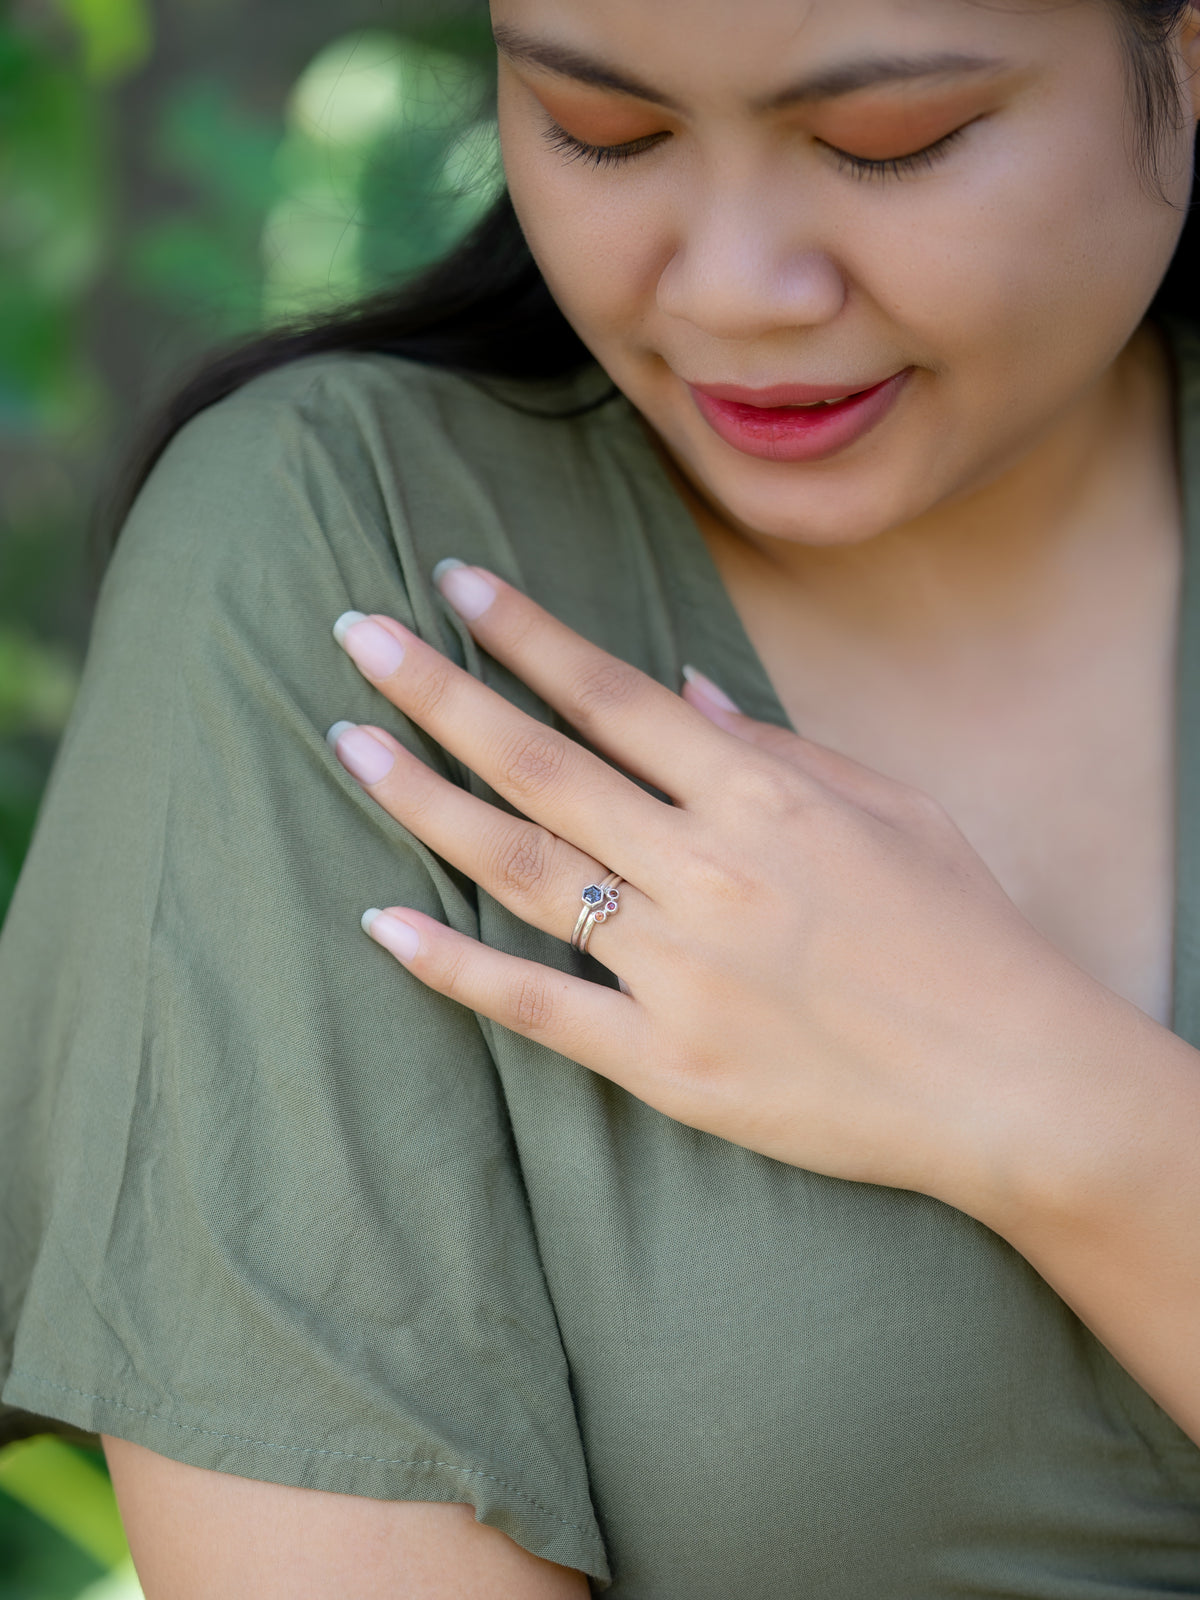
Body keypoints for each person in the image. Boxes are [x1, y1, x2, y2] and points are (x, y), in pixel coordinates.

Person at [3, 0, 1200, 1592]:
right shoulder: (349, 547)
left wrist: (1061, 1110)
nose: (731, 291)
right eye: (601, 129)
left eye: (884, 145)